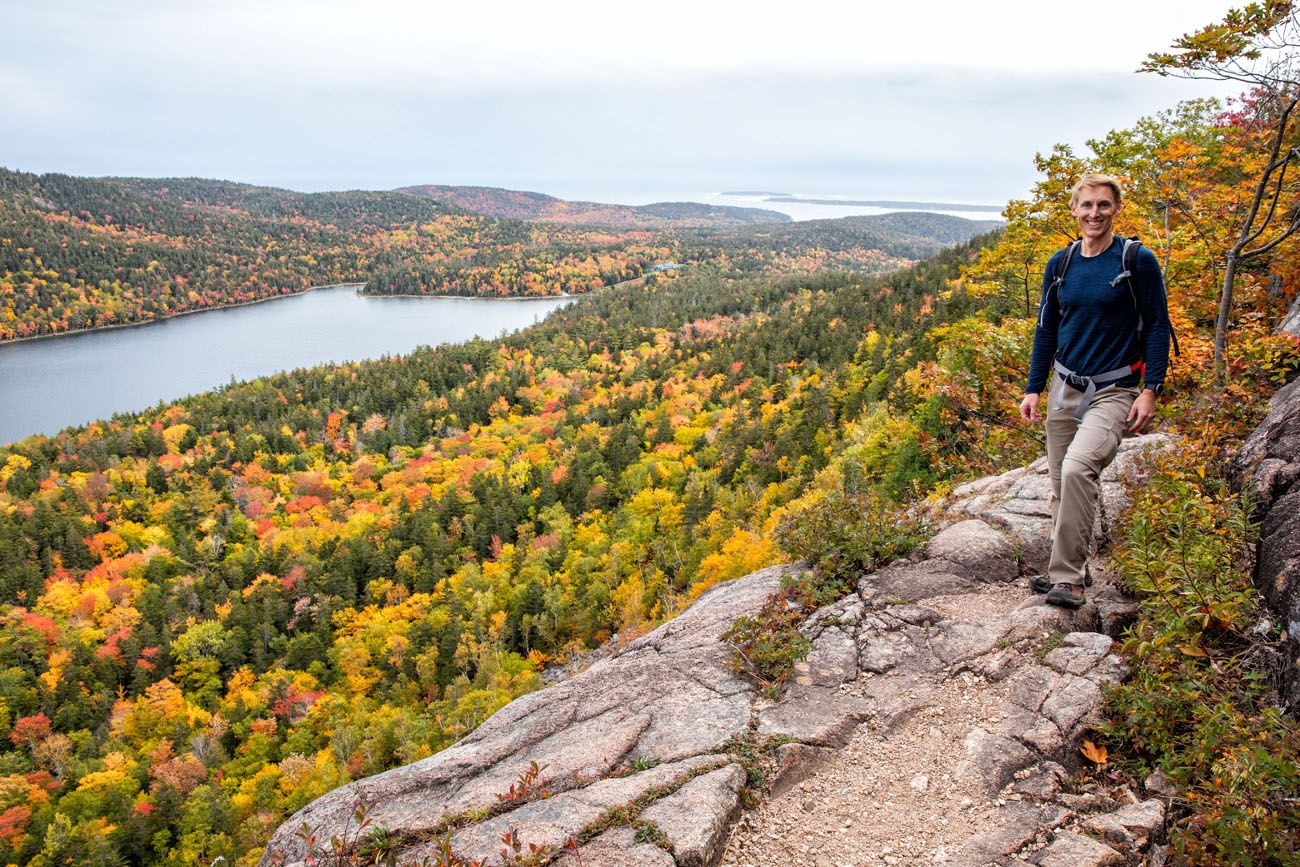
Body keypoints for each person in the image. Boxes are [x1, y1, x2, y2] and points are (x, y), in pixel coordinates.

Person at [1019, 174, 1171, 609]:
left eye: (1103, 205)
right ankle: (1063, 566)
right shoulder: (1061, 264)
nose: (1094, 213)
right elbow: (1046, 329)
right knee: (1057, 481)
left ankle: (1067, 580)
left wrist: (1151, 389)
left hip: (1116, 387)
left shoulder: (1135, 260)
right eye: (1086, 205)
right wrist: (1033, 388)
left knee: (1077, 469)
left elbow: (1159, 326)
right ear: (1074, 210)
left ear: (1116, 208)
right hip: (1065, 384)